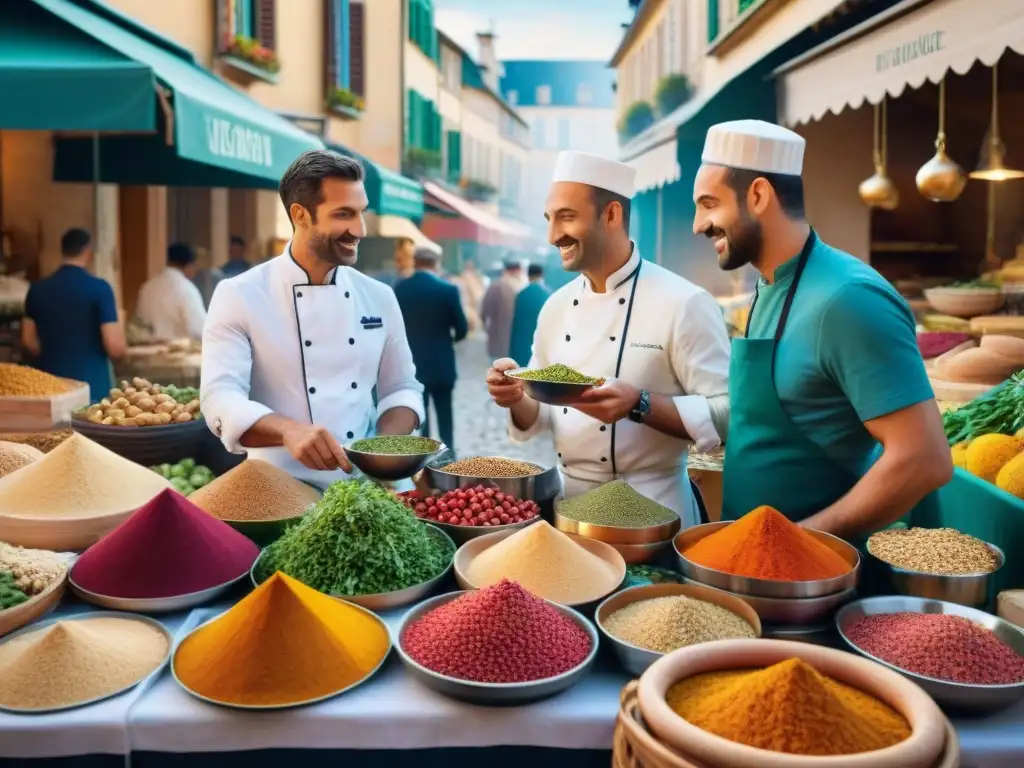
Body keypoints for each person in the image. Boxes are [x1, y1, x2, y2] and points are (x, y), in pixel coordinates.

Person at [692, 120, 951, 538]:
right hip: (753, 569)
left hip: (820, 582)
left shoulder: (849, 298)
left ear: (758, 195)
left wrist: (800, 545)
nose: (698, 224)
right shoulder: (769, 285)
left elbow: (925, 459)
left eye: (708, 204)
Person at [486, 151, 731, 526]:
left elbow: (729, 414)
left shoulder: (685, 302)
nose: (553, 236)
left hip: (657, 510)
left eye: (567, 217)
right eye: (550, 220)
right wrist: (515, 395)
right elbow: (540, 414)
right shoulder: (555, 306)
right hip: (569, 511)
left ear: (612, 215)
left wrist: (640, 404)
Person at [200, 150, 424, 488]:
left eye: (361, 213)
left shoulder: (379, 296)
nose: (359, 229)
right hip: (278, 489)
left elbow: (402, 388)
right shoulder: (240, 294)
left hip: (369, 485)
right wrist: (289, 431)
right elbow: (219, 397)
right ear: (300, 215)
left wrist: (381, 448)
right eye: (343, 214)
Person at [21, 228, 125, 400]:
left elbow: (28, 340)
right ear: (87, 251)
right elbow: (114, 347)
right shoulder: (99, 289)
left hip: (50, 386)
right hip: (92, 386)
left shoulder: (37, 290)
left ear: (63, 251)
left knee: (56, 428)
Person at [394, 247, 468, 449]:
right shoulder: (448, 290)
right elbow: (461, 327)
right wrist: (449, 340)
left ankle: (424, 451)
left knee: (421, 409)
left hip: (413, 362)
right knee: (445, 410)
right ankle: (448, 450)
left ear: (414, 263)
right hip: (442, 361)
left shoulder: (400, 289)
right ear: (436, 264)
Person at [134, 243, 208, 340]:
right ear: (190, 266)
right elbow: (199, 329)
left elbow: (140, 323)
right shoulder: (186, 288)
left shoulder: (147, 286)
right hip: (178, 351)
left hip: (148, 349)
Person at [480, 258, 524, 359]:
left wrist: (486, 328)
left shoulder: (495, 286)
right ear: (519, 270)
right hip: (519, 345)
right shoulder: (523, 287)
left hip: (497, 343)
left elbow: (484, 312)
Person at [509, 263, 550, 367]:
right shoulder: (549, 295)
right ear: (542, 275)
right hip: (542, 351)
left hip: (521, 349)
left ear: (528, 275)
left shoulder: (520, 295)